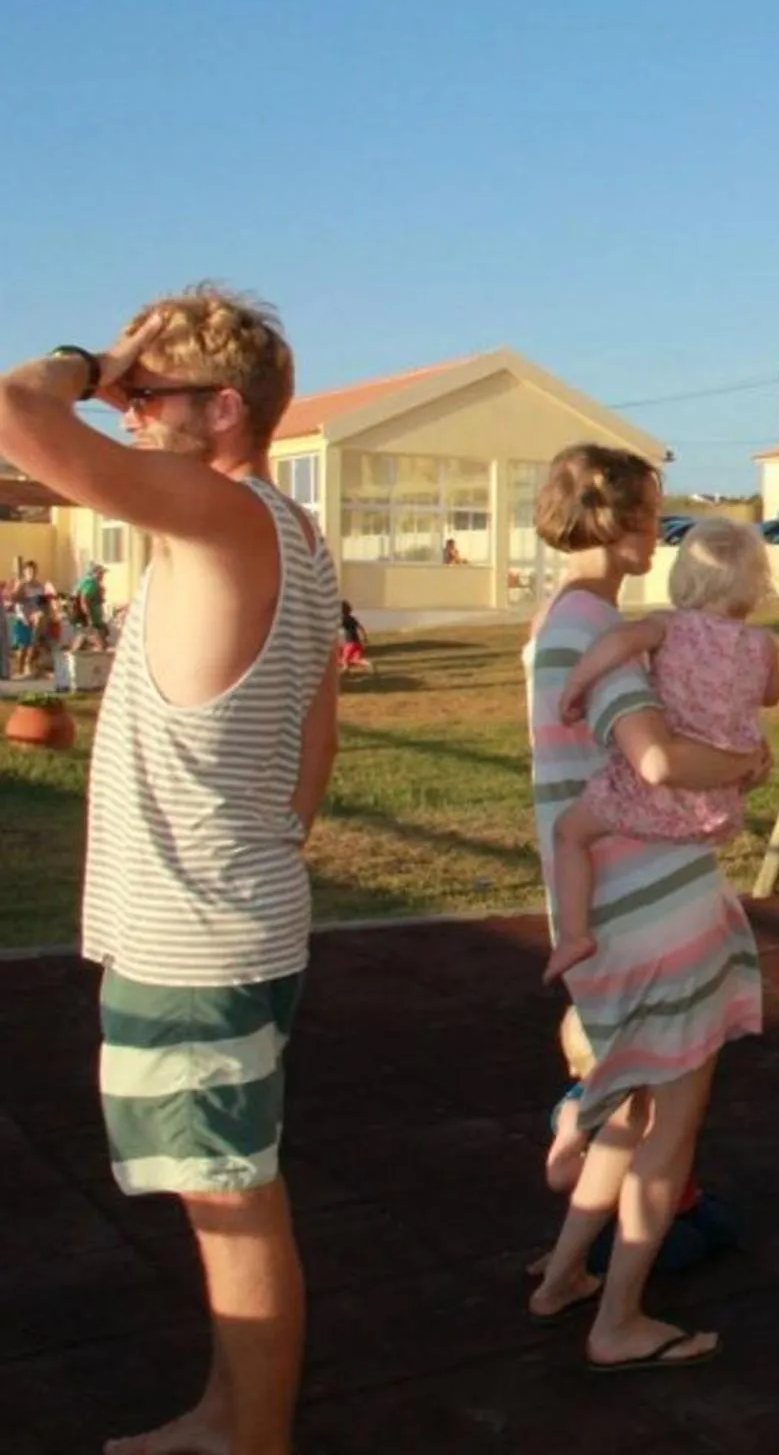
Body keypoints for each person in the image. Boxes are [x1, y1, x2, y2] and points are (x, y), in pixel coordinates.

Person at [0, 288, 342, 1455]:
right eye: (125, 394)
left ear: (227, 411)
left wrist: (79, 362)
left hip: (193, 944)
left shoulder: (217, 512)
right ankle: (224, 1416)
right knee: (230, 1202)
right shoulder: (293, 531)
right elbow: (317, 722)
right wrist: (268, 842)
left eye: (152, 394)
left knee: (237, 1216)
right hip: (242, 917)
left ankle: (256, 1442)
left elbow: (11, 411)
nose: (130, 410)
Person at [519, 442, 766, 1375]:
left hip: (596, 894)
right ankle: (618, 1320)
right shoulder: (592, 625)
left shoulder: (555, 621)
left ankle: (565, 1278)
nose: (659, 529)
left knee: (629, 1111)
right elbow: (658, 760)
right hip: (652, 895)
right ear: (619, 522)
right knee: (671, 1123)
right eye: (651, 511)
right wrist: (745, 765)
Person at [546, 515, 779, 986]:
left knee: (569, 833)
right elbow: (772, 695)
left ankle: (574, 934)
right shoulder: (764, 644)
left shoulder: (668, 627)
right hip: (719, 804)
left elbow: (616, 642)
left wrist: (576, 684)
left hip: (653, 797)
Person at [534, 1007, 740, 1285]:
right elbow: (559, 1174)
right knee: (683, 1249)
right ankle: (582, 1254)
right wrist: (611, 1176)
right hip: (619, 1218)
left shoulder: (646, 1090)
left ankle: (682, 1213)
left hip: (676, 1200)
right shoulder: (576, 1110)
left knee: (725, 1229)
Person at [338, 600, 374, 675]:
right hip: (357, 642)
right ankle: (369, 664)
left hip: (349, 643)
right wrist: (365, 637)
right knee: (356, 659)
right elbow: (361, 628)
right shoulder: (352, 619)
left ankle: (345, 670)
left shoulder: (343, 619)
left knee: (344, 659)